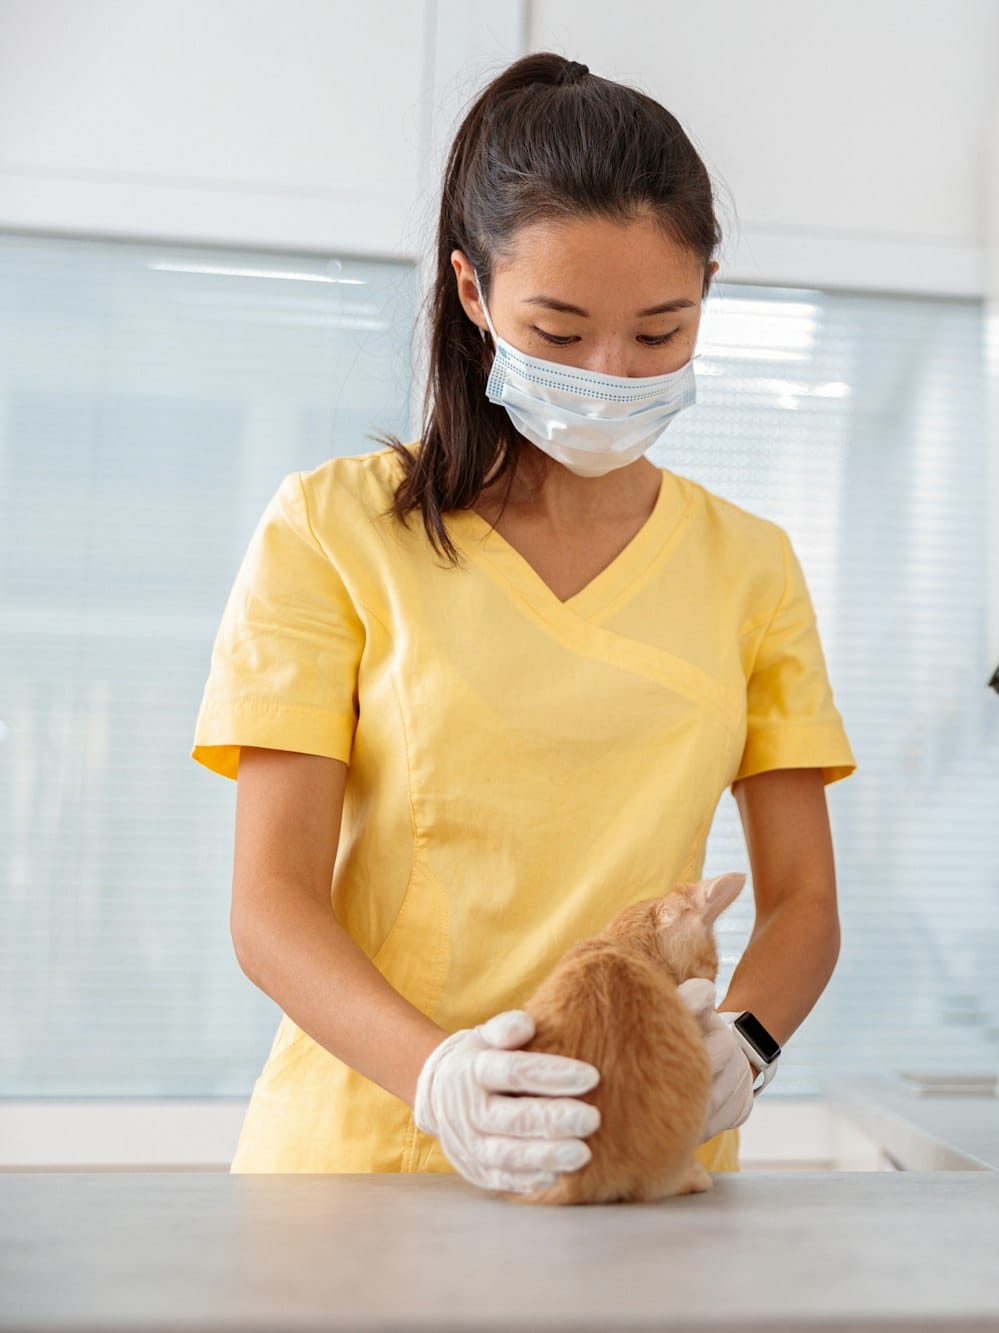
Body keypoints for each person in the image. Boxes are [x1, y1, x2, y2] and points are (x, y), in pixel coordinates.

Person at [191, 53, 854, 1192]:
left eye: (659, 333)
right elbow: (270, 901)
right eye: (558, 332)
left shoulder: (750, 567)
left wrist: (741, 1044)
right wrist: (443, 1077)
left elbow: (800, 898)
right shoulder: (333, 528)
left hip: (638, 1163)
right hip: (368, 1163)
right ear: (472, 293)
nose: (610, 373)